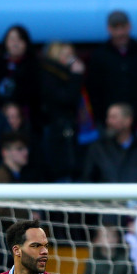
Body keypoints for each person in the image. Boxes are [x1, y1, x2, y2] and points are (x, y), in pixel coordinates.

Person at [86, 10, 137, 129]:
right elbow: (93, 90)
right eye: (115, 28)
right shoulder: (99, 55)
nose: (120, 32)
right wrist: (101, 118)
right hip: (110, 123)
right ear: (109, 29)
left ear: (129, 27)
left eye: (123, 27)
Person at [37, 41, 84, 182]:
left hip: (69, 130)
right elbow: (66, 98)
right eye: (67, 55)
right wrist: (76, 76)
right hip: (58, 134)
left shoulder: (62, 75)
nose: (72, 60)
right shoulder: (49, 75)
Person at [81, 103, 137, 183]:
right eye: (108, 117)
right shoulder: (98, 148)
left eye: (114, 117)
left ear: (128, 121)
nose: (108, 121)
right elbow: (87, 180)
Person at [0, 25, 39, 116]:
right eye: (12, 40)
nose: (15, 44)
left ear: (26, 43)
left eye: (20, 40)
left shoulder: (34, 67)